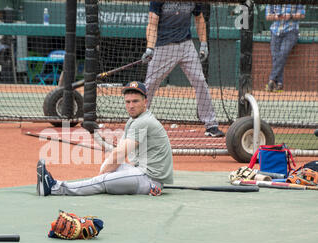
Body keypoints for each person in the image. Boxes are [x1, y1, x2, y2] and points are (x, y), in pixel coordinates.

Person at [37, 81, 174, 196]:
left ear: (145, 101)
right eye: (128, 102)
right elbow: (114, 151)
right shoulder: (133, 120)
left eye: (135, 101)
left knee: (103, 179)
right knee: (108, 166)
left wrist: (101, 176)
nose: (131, 106)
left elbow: (119, 154)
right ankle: (97, 181)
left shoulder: (143, 122)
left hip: (149, 181)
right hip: (140, 173)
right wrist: (94, 134)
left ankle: (55, 188)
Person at [141, 1, 224, 137]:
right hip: (163, 47)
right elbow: (152, 23)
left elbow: (199, 18)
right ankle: (139, 122)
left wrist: (203, 44)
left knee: (200, 81)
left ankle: (211, 125)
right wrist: (150, 48)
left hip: (186, 45)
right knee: (150, 85)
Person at [265, 4, 305, 92]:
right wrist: (277, 17)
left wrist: (290, 16)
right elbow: (267, 16)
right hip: (275, 31)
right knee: (275, 56)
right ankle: (279, 83)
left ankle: (271, 80)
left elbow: (302, 15)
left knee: (283, 53)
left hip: (291, 30)